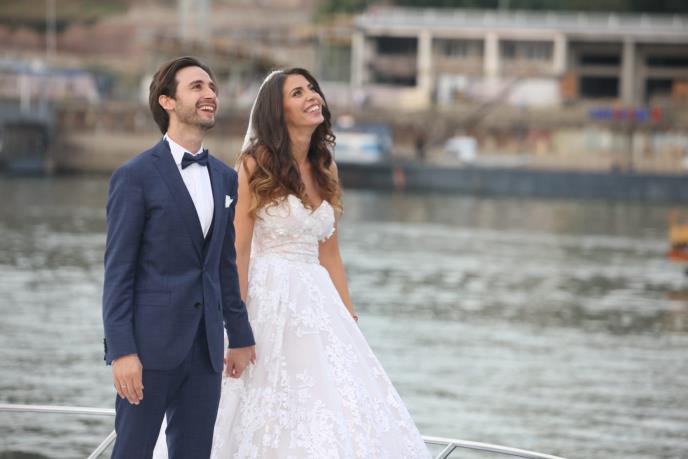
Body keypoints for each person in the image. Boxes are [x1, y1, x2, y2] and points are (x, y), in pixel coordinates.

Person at [155, 67, 430, 458]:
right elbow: (238, 250)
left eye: (312, 89)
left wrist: (348, 315)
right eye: (298, 93)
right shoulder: (254, 165)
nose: (312, 96)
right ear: (277, 110)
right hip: (267, 297)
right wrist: (235, 324)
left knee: (332, 399)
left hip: (318, 300)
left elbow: (330, 253)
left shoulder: (326, 166)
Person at [102, 56, 256, 459]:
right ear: (167, 101)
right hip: (148, 350)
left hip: (205, 352)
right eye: (197, 87)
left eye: (212, 88)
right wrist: (121, 352)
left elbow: (222, 265)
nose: (210, 94)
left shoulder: (225, 178)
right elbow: (118, 273)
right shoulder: (134, 176)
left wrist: (240, 335)